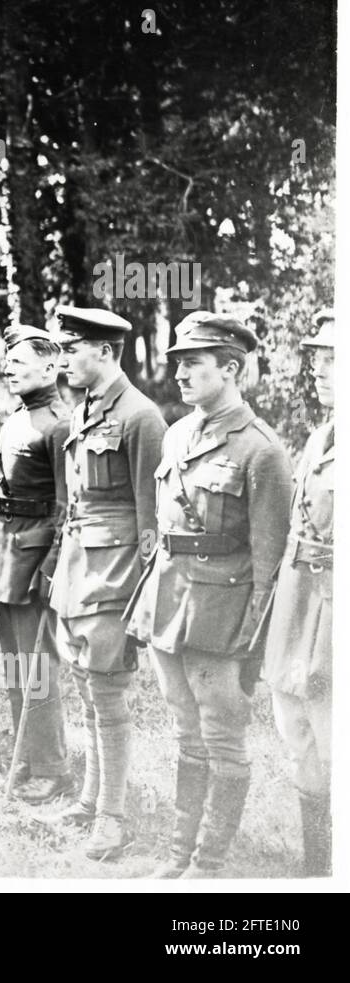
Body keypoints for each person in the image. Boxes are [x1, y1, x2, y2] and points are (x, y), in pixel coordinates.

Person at [125, 313, 292, 877]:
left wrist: (251, 643)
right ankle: (178, 853)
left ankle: (210, 861)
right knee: (183, 731)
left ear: (231, 368)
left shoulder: (262, 451)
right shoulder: (176, 434)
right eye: (178, 363)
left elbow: (270, 562)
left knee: (222, 738)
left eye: (193, 363)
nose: (180, 373)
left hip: (222, 617)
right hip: (169, 605)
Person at [45, 305, 166, 860]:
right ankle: (93, 797)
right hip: (77, 569)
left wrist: (143, 598)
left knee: (109, 695)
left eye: (72, 349)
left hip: (115, 576)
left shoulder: (140, 417)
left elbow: (151, 520)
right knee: (85, 689)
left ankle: (114, 820)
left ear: (106, 353)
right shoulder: (85, 410)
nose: (63, 359)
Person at [0, 325, 74, 803]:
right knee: (16, 665)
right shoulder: (21, 416)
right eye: (8, 362)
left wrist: (52, 566)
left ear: (50, 366)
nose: (7, 369)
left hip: (35, 554)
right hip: (6, 552)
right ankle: (26, 754)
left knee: (38, 666)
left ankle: (53, 768)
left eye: (17, 363)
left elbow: (68, 507)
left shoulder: (60, 424)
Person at [258, 309, 333, 876]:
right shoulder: (321, 436)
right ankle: (316, 868)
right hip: (300, 599)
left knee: (335, 735)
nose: (323, 370)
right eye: (319, 359)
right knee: (296, 728)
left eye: (336, 359)